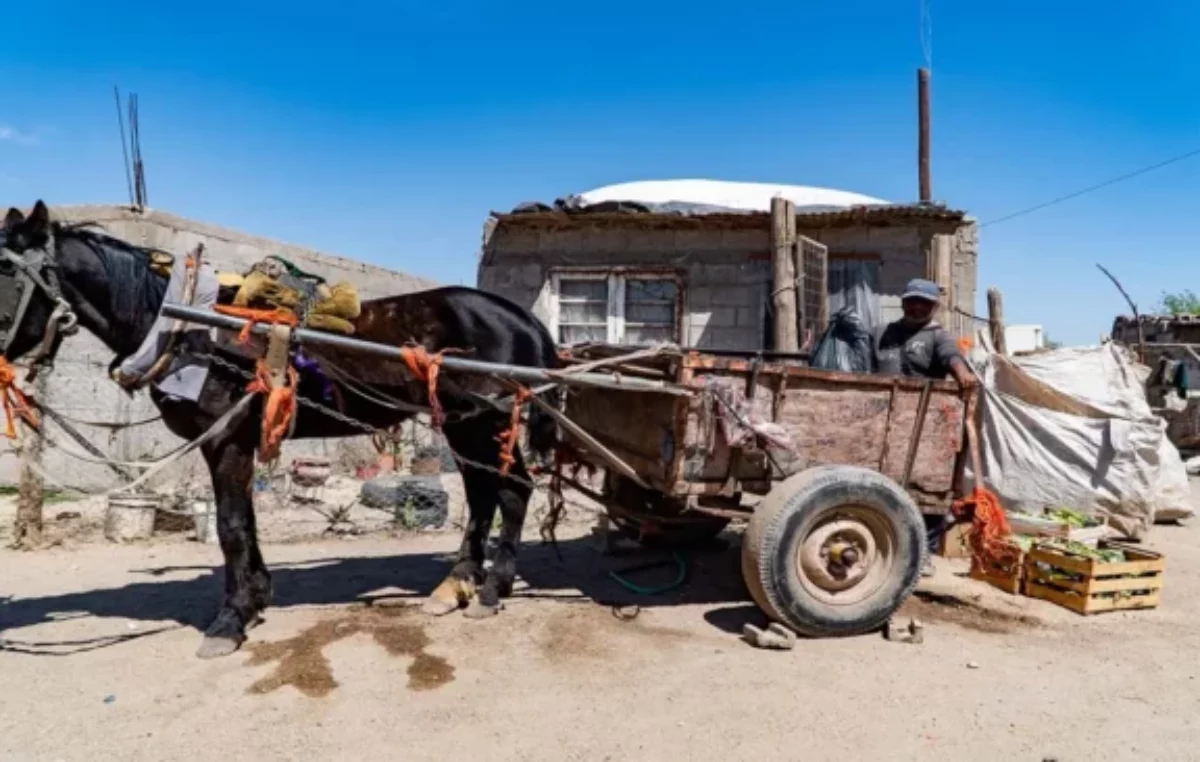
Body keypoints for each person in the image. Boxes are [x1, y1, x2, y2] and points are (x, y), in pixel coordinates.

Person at [872, 278, 977, 575]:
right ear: (903, 302)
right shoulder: (882, 333)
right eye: (912, 301)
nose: (917, 307)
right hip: (878, 423)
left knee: (928, 487)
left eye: (924, 303)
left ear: (934, 306)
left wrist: (961, 373)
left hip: (924, 425)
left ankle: (924, 553)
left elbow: (952, 357)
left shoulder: (938, 336)